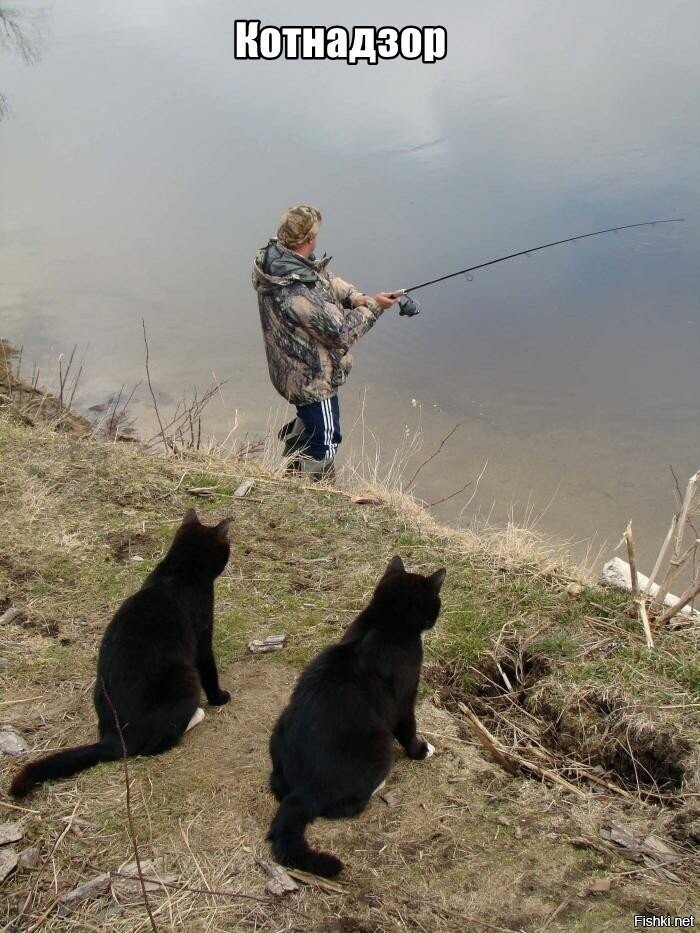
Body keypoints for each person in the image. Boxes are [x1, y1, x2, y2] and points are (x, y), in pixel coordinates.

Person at [252, 205, 399, 480]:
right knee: (327, 437)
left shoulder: (279, 260)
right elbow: (340, 334)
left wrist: (356, 297)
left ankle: (293, 472)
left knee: (313, 425)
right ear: (309, 240)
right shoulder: (296, 293)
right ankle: (318, 491)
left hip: (290, 369)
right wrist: (375, 307)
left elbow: (322, 277)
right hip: (311, 379)